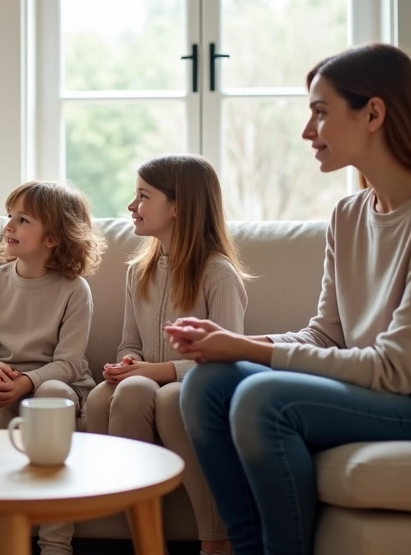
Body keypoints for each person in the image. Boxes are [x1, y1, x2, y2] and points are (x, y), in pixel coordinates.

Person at [167, 43, 411, 555]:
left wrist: (247, 348)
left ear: (373, 113)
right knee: (205, 385)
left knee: (263, 399)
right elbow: (325, 335)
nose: (307, 131)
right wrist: (230, 343)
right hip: (383, 394)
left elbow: (396, 370)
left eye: (320, 113)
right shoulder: (349, 215)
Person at [84, 154, 246, 555]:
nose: (131, 205)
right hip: (146, 385)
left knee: (173, 397)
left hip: (203, 386)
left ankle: (216, 540)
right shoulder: (139, 271)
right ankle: (146, 542)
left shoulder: (218, 274)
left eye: (143, 196)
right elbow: (129, 343)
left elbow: (228, 358)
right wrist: (126, 365)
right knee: (115, 393)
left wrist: (160, 370)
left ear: (177, 207)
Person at [0, 180, 103, 555]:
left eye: (22, 220)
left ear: (52, 237)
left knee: (51, 395)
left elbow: (68, 364)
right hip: (1, 379)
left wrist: (28, 383)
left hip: (55, 382)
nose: (8, 227)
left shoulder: (74, 289)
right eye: (9, 217)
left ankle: (55, 542)